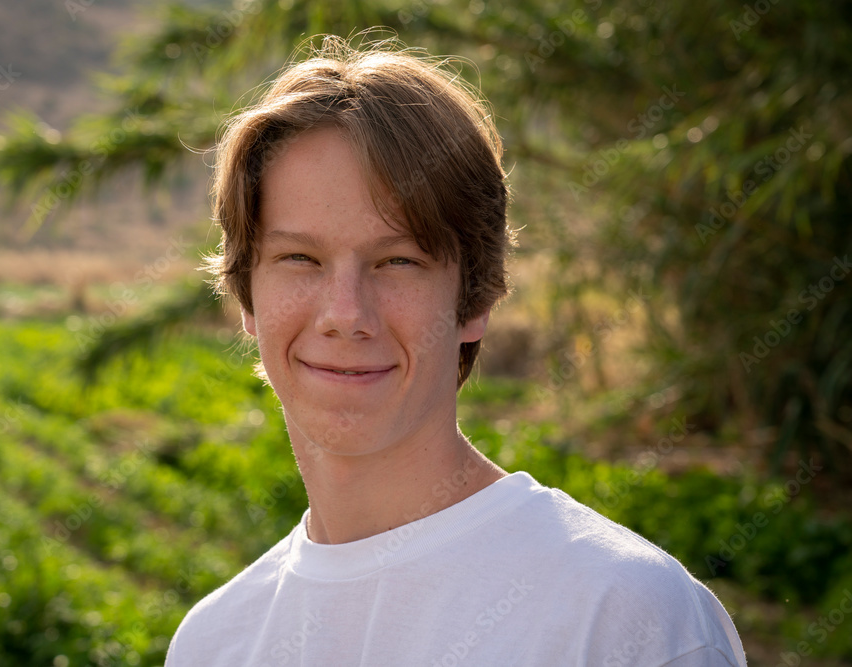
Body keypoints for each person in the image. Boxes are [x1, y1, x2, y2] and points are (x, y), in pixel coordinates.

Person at [165, 36, 747, 666]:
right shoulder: (212, 643)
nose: (345, 314)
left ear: (475, 300)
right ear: (246, 296)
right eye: (299, 259)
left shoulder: (625, 617)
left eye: (398, 261)